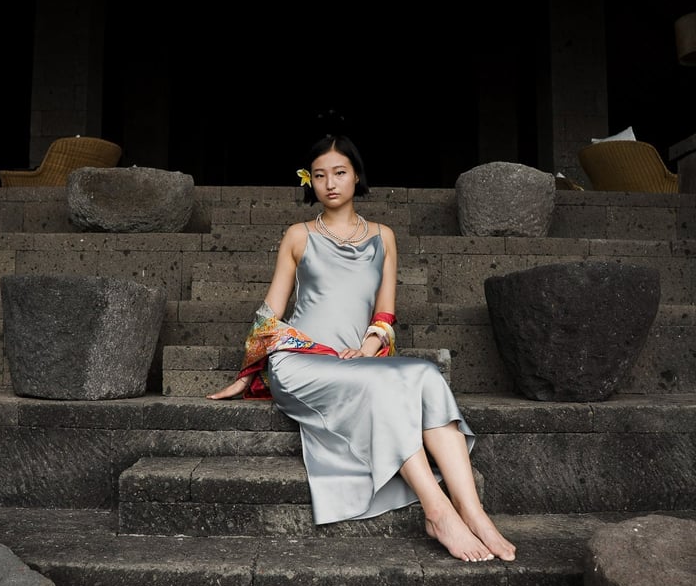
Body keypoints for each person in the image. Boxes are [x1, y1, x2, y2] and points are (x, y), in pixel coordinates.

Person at [208, 134, 516, 563]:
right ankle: (438, 509)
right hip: (300, 360)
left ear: (356, 176)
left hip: (356, 359)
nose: (330, 183)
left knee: (425, 374)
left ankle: (475, 513)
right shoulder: (298, 235)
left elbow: (385, 312)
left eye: (339, 173)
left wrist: (369, 347)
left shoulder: (383, 237)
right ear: (309, 182)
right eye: (319, 175)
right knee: (385, 388)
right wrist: (247, 373)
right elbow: (270, 313)